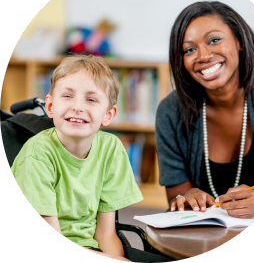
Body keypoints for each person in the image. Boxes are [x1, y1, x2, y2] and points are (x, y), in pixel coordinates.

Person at [11, 54, 173, 262]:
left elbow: (106, 233)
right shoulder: (38, 154)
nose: (78, 106)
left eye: (91, 99)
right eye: (68, 96)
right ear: (50, 107)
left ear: (108, 115)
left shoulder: (111, 149)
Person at [155, 1, 254, 219]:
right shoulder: (170, 110)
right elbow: (175, 198)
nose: (203, 56)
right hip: (205, 238)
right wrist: (187, 197)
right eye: (189, 49)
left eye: (214, 40)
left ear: (240, 41)